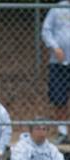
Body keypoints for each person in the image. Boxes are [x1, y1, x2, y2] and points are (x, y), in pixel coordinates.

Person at [41, 0, 70, 143]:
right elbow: (46, 30)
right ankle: (62, 132)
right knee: (60, 99)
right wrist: (55, 47)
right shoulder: (57, 8)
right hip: (59, 62)